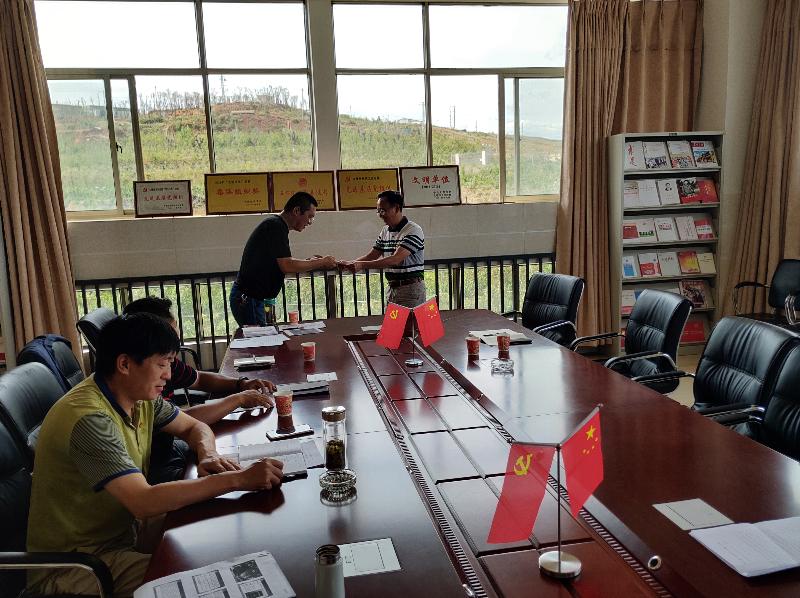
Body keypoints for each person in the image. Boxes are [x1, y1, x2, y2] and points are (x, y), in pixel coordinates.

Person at [27, 313, 284, 598]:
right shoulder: (90, 419)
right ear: (125, 364)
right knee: (202, 576)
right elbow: (143, 501)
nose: (169, 375)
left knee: (218, 536)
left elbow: (194, 426)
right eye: (162, 364)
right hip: (79, 564)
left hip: (124, 532)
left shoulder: (137, 398)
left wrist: (207, 455)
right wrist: (238, 479)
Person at [123, 296, 276, 483]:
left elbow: (198, 383)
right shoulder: (126, 396)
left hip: (170, 447)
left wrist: (239, 384)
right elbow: (141, 496)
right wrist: (238, 399)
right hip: (157, 463)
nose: (168, 373)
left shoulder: (163, 364)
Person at [230, 192, 337, 327]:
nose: (310, 222)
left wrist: (311, 262)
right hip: (249, 300)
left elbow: (283, 262)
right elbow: (287, 265)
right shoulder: (275, 226)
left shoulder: (276, 225)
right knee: (262, 339)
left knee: (266, 338)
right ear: (296, 211)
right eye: (309, 216)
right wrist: (322, 262)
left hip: (255, 299)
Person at [339, 190, 426, 308]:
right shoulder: (385, 230)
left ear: (396, 208)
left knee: (409, 320)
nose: (380, 215)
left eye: (383, 210)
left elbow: (395, 259)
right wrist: (350, 263)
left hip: (411, 290)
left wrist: (361, 265)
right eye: (378, 211)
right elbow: (372, 255)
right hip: (392, 288)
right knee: (392, 321)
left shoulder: (413, 230)